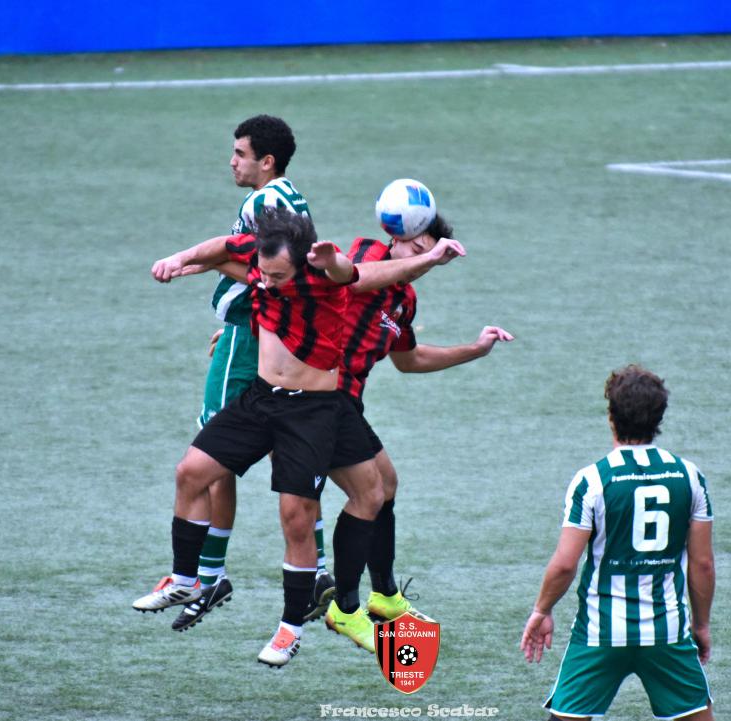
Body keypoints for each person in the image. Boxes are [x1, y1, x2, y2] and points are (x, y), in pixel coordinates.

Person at [136, 209, 468, 666]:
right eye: (264, 274)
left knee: (319, 509)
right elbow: (226, 251)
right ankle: (188, 580)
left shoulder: (331, 279)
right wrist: (182, 260)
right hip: (264, 399)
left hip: (316, 409)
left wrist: (430, 265)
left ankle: (303, 624)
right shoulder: (277, 263)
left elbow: (356, 277)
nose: (268, 283)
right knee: (191, 472)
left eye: (277, 276)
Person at [147, 114, 335, 632]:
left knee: (211, 455)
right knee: (287, 454)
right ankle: (317, 570)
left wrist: (192, 261)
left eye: (240, 154)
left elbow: (262, 271)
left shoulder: (263, 203)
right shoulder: (292, 197)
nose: (231, 162)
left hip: (250, 338)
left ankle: (206, 576)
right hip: (267, 333)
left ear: (266, 161)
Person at [330, 214, 514, 623]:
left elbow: (408, 360)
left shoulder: (405, 300)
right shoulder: (368, 253)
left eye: (428, 255)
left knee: (386, 485)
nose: (420, 261)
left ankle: (384, 595)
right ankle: (344, 606)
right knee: (367, 495)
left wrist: (475, 350)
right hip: (320, 394)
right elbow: (353, 281)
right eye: (416, 249)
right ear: (396, 238)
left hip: (348, 401)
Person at [521, 366, 715, 721]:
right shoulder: (690, 476)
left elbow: (565, 565)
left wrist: (541, 610)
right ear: (659, 417)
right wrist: (701, 625)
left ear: (611, 416)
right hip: (667, 632)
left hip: (600, 633)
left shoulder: (592, 480)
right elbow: (702, 564)